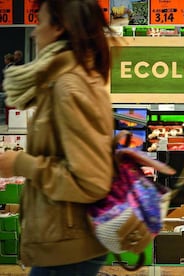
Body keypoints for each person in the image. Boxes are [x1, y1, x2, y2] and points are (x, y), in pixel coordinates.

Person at [0, 0, 117, 275]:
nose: (33, 32)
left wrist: (20, 163)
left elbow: (91, 179)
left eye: (39, 22)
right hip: (66, 239)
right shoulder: (65, 79)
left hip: (67, 246)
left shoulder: (68, 86)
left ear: (59, 27)